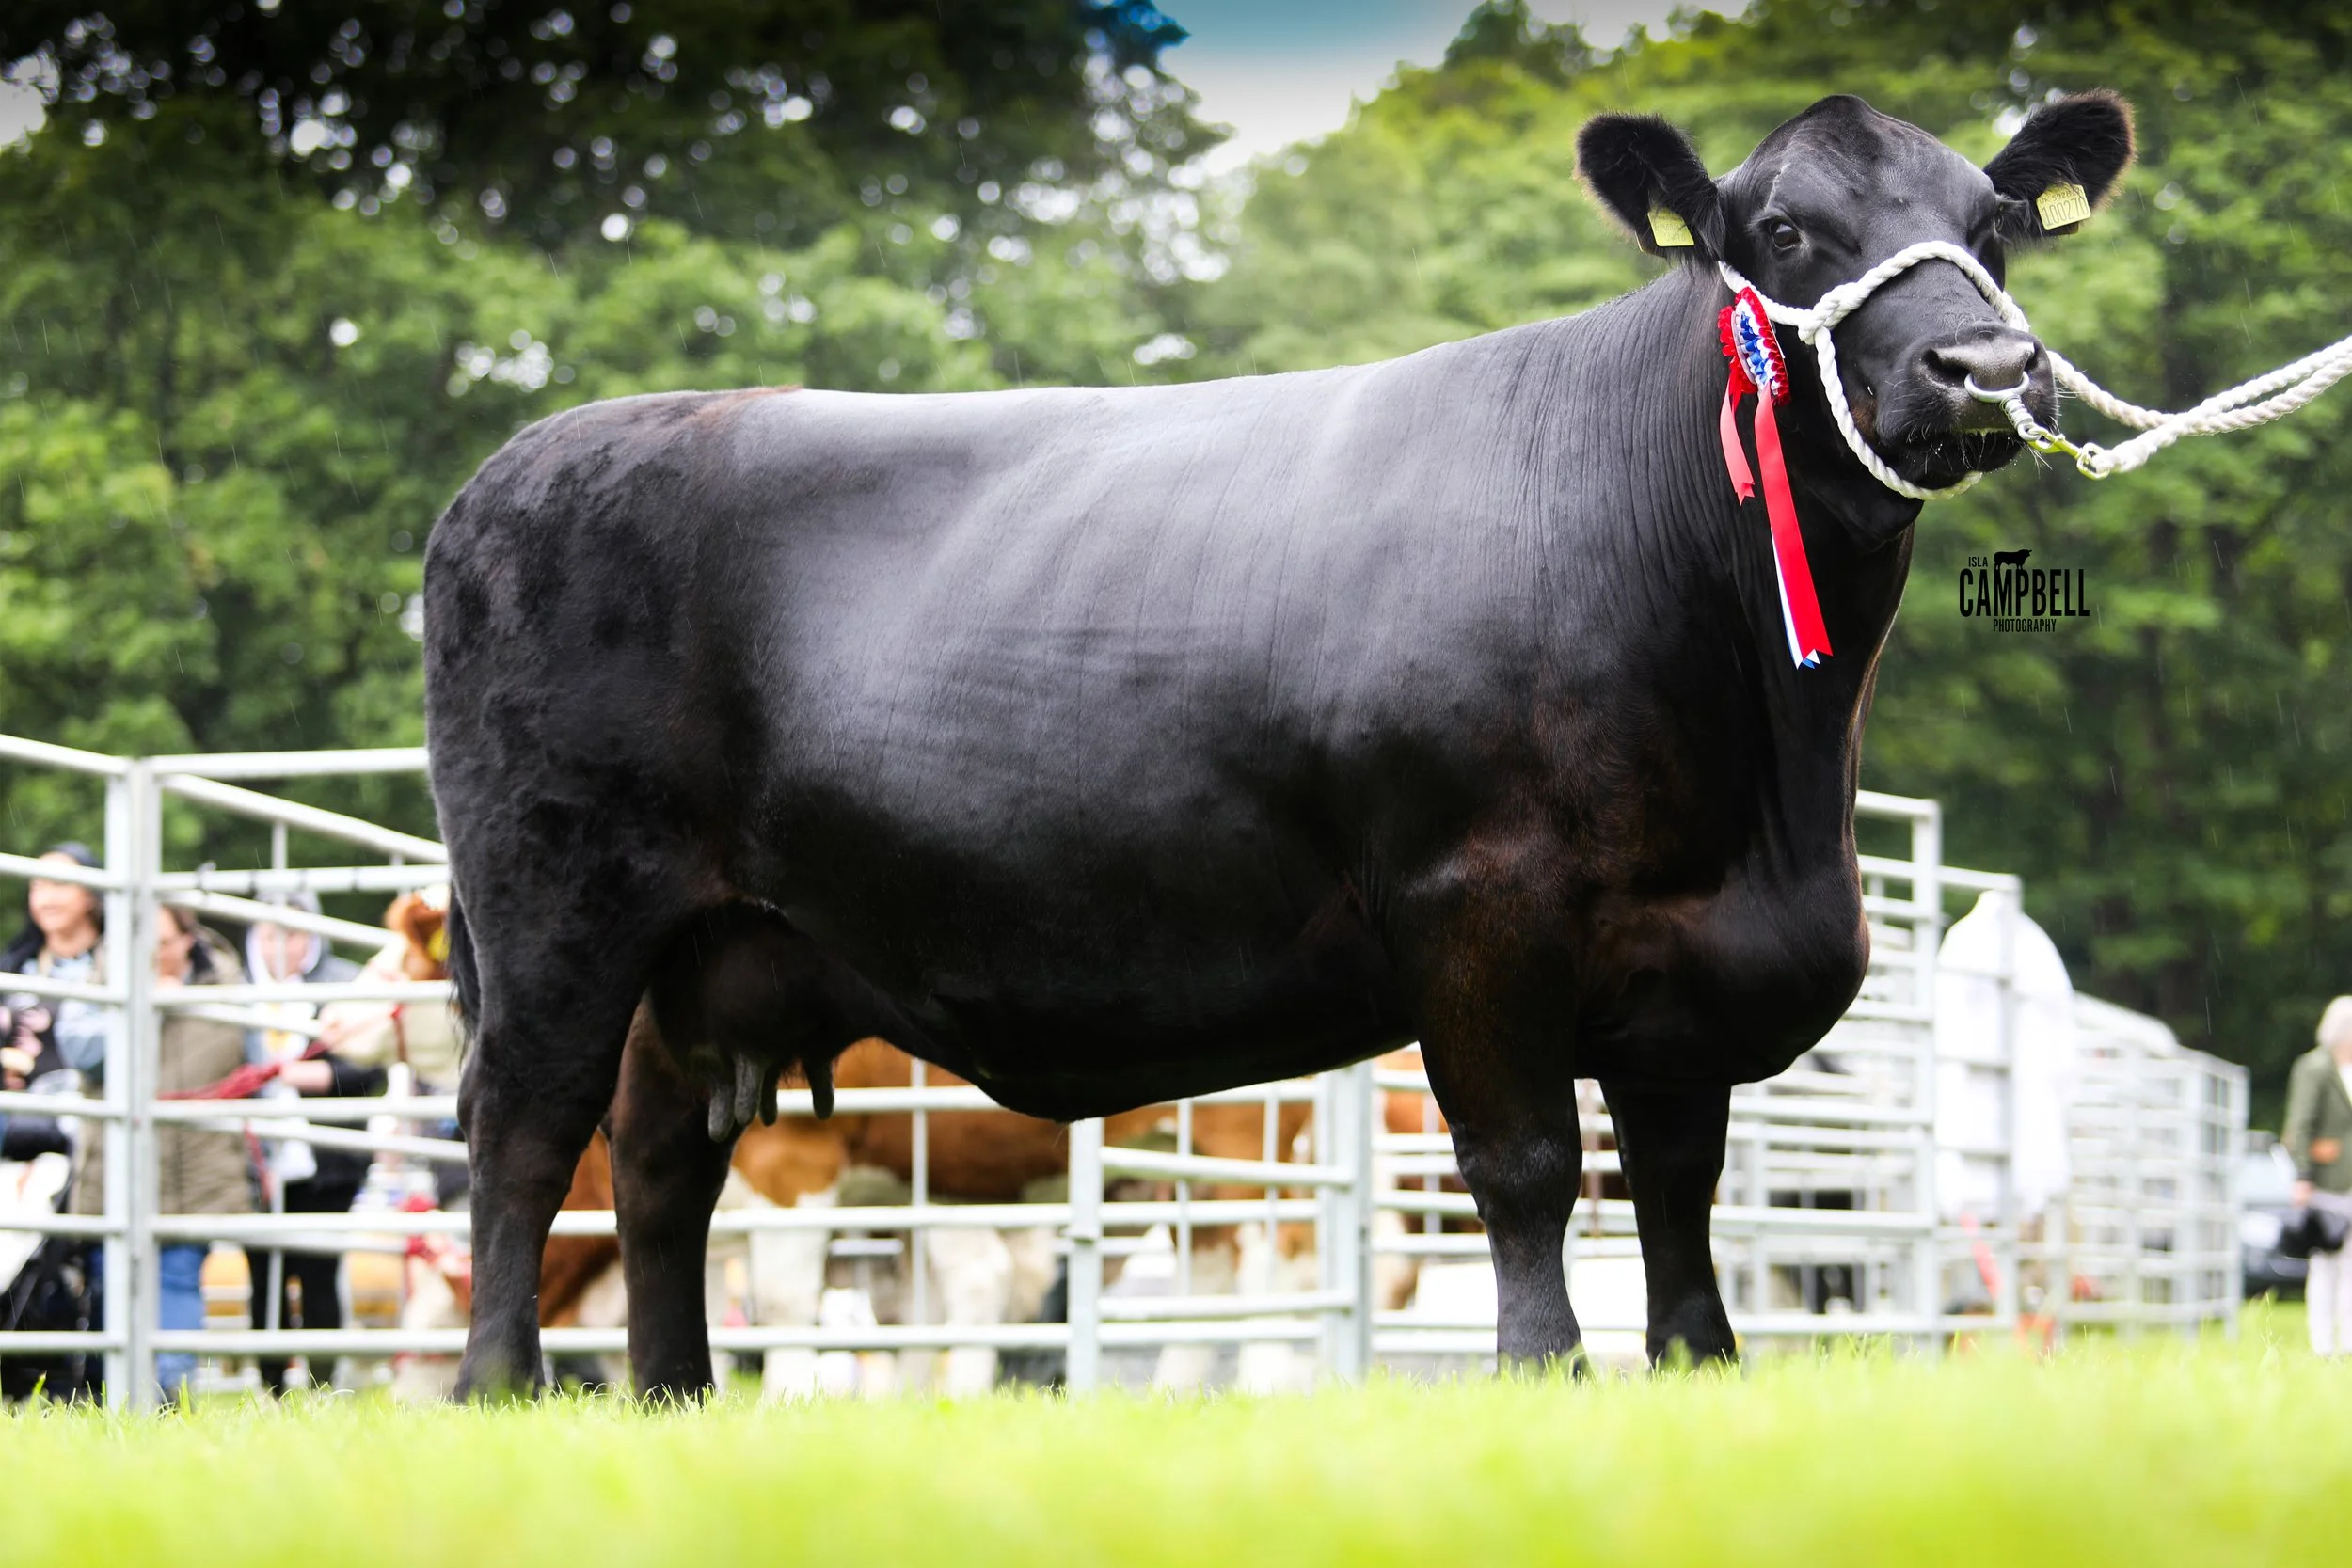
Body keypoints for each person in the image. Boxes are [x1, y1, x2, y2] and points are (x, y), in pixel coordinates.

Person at [243, 895, 385, 1393]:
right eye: (268, 933)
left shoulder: (343, 986)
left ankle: (324, 1385)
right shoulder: (237, 992)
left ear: (311, 936)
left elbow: (373, 1063)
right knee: (263, 1276)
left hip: (328, 1158)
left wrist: (318, 1076)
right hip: (254, 1159)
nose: (280, 946)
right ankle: (271, 1387)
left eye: (292, 933)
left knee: (318, 1271)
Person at [2284, 996, 2352, 1356]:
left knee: (2351, 1267)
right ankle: (2323, 1344)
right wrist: (2303, 1175)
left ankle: (2348, 1341)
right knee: (2325, 1264)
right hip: (2326, 1182)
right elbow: (2300, 1126)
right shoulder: (2315, 1068)